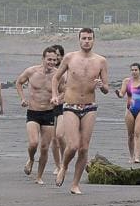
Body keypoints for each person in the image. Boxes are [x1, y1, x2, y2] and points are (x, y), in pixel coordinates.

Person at [51, 27, 109, 194]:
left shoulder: (101, 61)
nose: (86, 41)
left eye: (89, 38)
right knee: (73, 145)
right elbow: (56, 77)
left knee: (84, 148)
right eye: (84, 38)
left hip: (89, 105)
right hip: (70, 105)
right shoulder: (70, 57)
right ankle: (64, 166)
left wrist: (101, 86)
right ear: (79, 40)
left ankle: (75, 184)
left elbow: (106, 88)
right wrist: (55, 95)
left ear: (94, 40)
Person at [16, 47, 60, 184]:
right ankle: (31, 158)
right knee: (33, 143)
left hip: (49, 112)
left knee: (45, 147)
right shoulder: (32, 71)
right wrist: (22, 98)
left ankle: (39, 176)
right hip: (33, 112)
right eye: (49, 59)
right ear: (43, 59)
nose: (52, 62)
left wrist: (57, 98)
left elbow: (66, 90)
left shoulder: (59, 75)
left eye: (54, 60)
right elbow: (19, 82)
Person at [50, 44, 66, 174]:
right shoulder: (46, 70)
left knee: (60, 135)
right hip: (48, 107)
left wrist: (57, 98)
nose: (55, 59)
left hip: (62, 106)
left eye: (58, 56)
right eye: (53, 57)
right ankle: (58, 165)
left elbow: (68, 90)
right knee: (53, 139)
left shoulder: (65, 71)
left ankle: (63, 162)